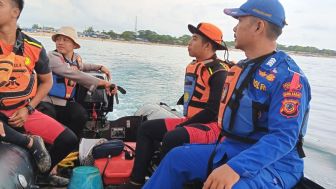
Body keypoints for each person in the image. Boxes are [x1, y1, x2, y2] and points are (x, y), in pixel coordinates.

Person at [142, 0, 311, 189]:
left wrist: (235, 168)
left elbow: (283, 138)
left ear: (258, 26)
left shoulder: (288, 78)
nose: (234, 27)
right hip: (231, 149)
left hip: (274, 166)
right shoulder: (240, 69)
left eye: (239, 21)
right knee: (176, 158)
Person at [120, 22, 232, 189]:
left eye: (194, 39)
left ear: (208, 45)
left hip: (211, 127)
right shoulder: (196, 65)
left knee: (173, 137)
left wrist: (183, 125)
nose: (189, 43)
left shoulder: (218, 71)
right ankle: (136, 182)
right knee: (146, 128)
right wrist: (185, 122)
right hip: (191, 120)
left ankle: (167, 183)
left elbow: (214, 111)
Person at [0, 0, 77, 187]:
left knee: (69, 140)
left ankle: (41, 175)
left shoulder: (33, 47)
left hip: (21, 110)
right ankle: (30, 143)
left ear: (15, 12)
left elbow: (47, 81)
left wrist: (28, 108)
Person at [37, 26, 117, 137]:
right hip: (48, 101)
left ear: (74, 45)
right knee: (49, 116)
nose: (60, 43)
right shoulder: (52, 57)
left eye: (65, 40)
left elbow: (82, 67)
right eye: (58, 39)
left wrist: (99, 67)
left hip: (66, 102)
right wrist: (102, 82)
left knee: (81, 115)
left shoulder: (75, 58)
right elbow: (72, 73)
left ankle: (72, 143)